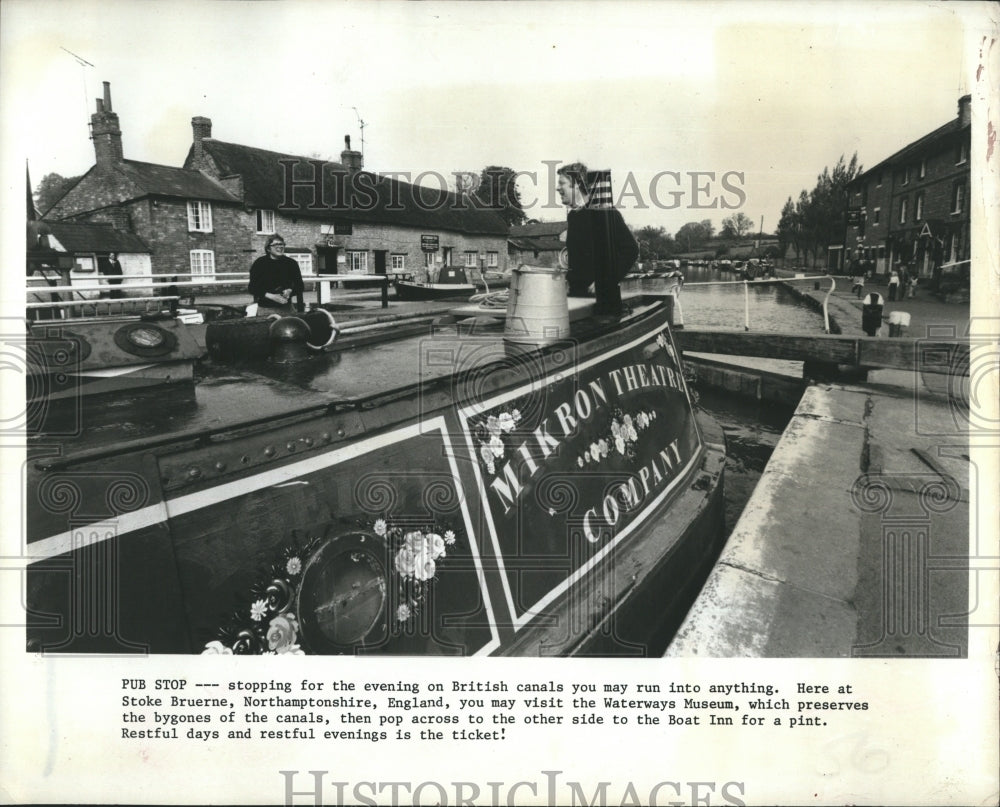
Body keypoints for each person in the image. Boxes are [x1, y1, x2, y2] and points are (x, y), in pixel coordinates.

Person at [556, 162, 639, 317]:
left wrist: (605, 281)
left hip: (604, 305)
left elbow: (631, 250)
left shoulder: (605, 212)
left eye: (562, 183)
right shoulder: (573, 216)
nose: (557, 188)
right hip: (577, 300)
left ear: (577, 185)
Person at [248, 234, 305, 313]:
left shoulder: (291, 263)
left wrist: (290, 291)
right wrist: (271, 296)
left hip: (287, 308)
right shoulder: (259, 263)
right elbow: (252, 288)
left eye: (282, 244)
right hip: (265, 309)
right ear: (268, 248)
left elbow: (300, 286)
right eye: (276, 244)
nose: (280, 246)